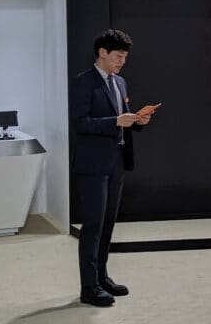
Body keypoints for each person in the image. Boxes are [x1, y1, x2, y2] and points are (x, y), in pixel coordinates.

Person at [70, 29, 152, 306]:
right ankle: (88, 287)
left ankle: (102, 277)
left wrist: (137, 121)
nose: (122, 62)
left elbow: (121, 120)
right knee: (93, 225)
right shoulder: (84, 82)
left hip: (117, 160)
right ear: (102, 53)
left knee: (107, 223)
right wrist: (115, 121)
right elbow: (80, 123)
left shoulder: (121, 82)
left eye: (125, 57)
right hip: (92, 164)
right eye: (118, 56)